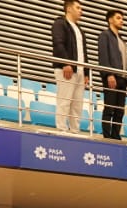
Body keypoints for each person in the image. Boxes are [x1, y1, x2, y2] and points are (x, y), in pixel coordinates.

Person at [51, 0, 87, 133]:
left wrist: (86, 73)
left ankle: (75, 130)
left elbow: (84, 52)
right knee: (64, 101)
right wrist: (66, 63)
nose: (81, 11)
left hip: (80, 71)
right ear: (69, 9)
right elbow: (58, 44)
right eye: (78, 8)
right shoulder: (60, 23)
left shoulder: (79, 30)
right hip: (66, 69)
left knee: (77, 104)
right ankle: (61, 129)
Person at [96, 9, 127, 140]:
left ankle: (116, 135)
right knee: (109, 108)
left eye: (122, 18)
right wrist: (109, 74)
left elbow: (126, 61)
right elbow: (103, 56)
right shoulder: (105, 35)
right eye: (118, 18)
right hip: (111, 77)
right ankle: (107, 135)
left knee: (120, 110)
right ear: (110, 20)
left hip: (122, 79)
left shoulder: (122, 40)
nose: (121, 20)